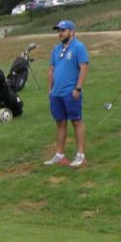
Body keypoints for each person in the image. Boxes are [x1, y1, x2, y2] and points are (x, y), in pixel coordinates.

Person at [44, 20, 89, 168]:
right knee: (60, 122)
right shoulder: (56, 50)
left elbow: (83, 68)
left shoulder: (78, 47)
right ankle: (60, 154)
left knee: (77, 121)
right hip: (56, 94)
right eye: (59, 31)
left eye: (63, 30)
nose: (60, 33)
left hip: (71, 92)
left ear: (72, 31)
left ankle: (81, 155)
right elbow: (51, 70)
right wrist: (50, 90)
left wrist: (78, 88)